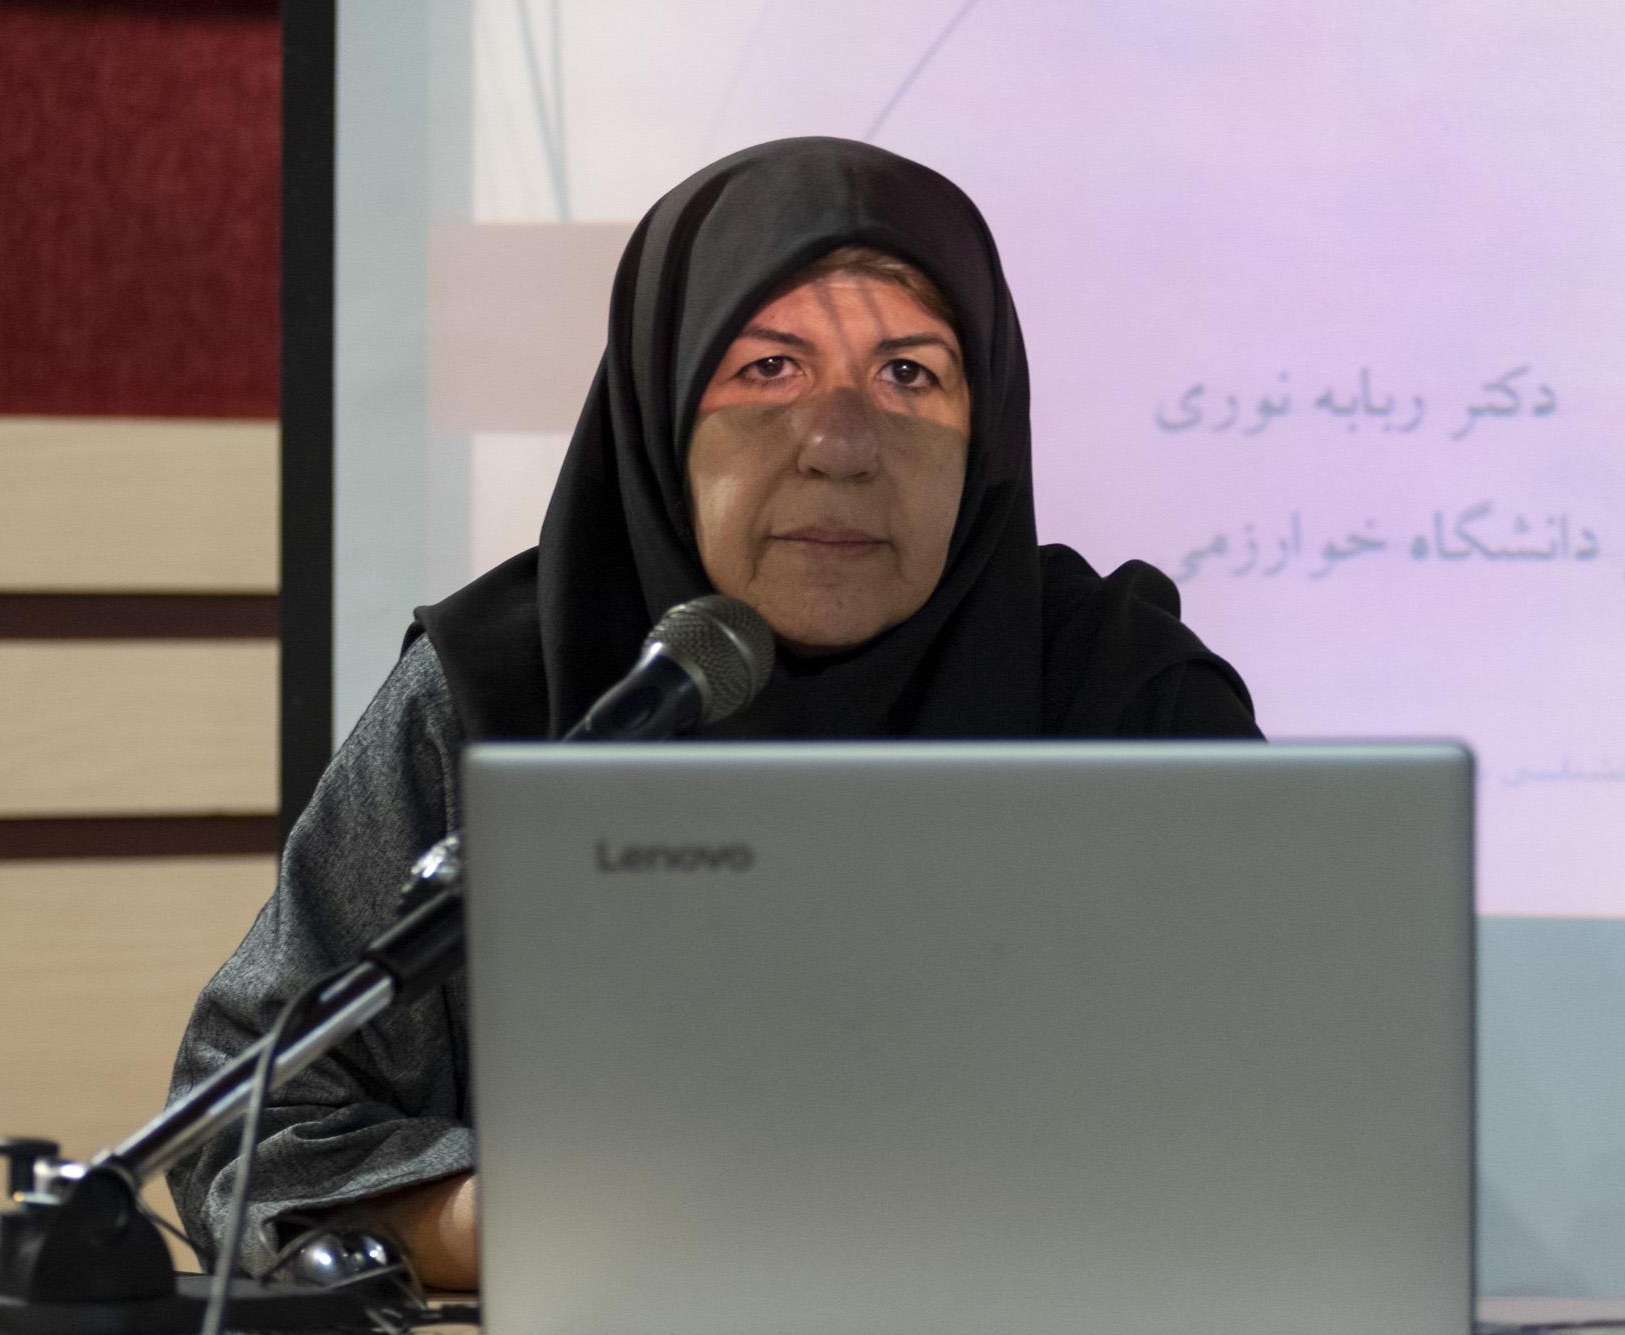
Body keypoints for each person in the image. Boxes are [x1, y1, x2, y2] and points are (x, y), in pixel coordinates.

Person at [166, 136, 1260, 1290]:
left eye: (907, 375)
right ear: (661, 409)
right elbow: (245, 1127)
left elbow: (1303, 1109)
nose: (839, 447)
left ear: (982, 423)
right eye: (769, 369)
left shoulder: (1122, 699)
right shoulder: (505, 695)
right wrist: (562, 1217)